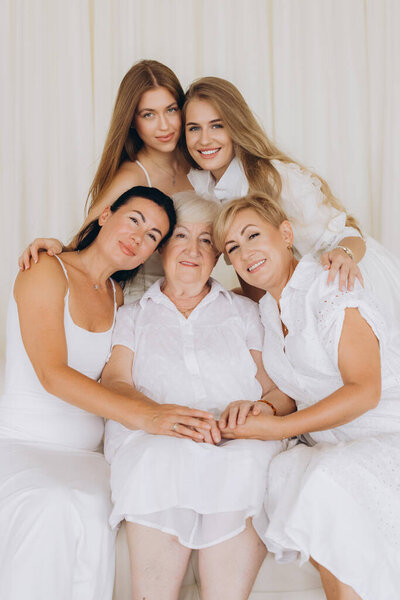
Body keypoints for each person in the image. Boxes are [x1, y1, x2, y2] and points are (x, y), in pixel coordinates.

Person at [0, 186, 215, 600]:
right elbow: (53, 375)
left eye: (153, 235)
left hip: (89, 457)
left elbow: (117, 379)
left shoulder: (119, 297)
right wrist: (147, 417)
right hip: (23, 444)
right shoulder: (46, 269)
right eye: (134, 219)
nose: (139, 236)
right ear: (104, 216)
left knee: (90, 511)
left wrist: (173, 417)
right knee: (54, 504)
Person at [101, 192, 295, 600]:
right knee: (158, 460)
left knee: (246, 466)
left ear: (219, 255)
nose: (193, 250)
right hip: (156, 440)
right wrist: (161, 416)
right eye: (181, 236)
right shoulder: (131, 315)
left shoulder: (245, 311)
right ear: (161, 247)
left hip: (237, 442)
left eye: (207, 240)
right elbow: (115, 383)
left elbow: (281, 392)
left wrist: (258, 407)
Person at [213, 192, 400, 600]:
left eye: (252, 235)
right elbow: (296, 390)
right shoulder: (267, 309)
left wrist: (277, 428)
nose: (245, 253)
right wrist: (261, 407)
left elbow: (365, 391)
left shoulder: (331, 286)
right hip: (334, 442)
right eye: (233, 248)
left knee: (324, 484)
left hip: (385, 435)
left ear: (285, 233)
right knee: (285, 478)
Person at [183, 76, 400, 323]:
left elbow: (348, 234)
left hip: (342, 279)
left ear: (235, 127)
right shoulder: (204, 188)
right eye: (194, 128)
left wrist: (343, 254)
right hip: (292, 301)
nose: (204, 139)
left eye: (217, 125)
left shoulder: (275, 178)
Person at [18, 59, 194, 298]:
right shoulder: (132, 177)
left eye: (171, 110)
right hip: (143, 301)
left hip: (192, 294)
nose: (164, 126)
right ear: (132, 121)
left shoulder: (197, 160)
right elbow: (84, 243)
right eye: (149, 114)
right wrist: (56, 247)